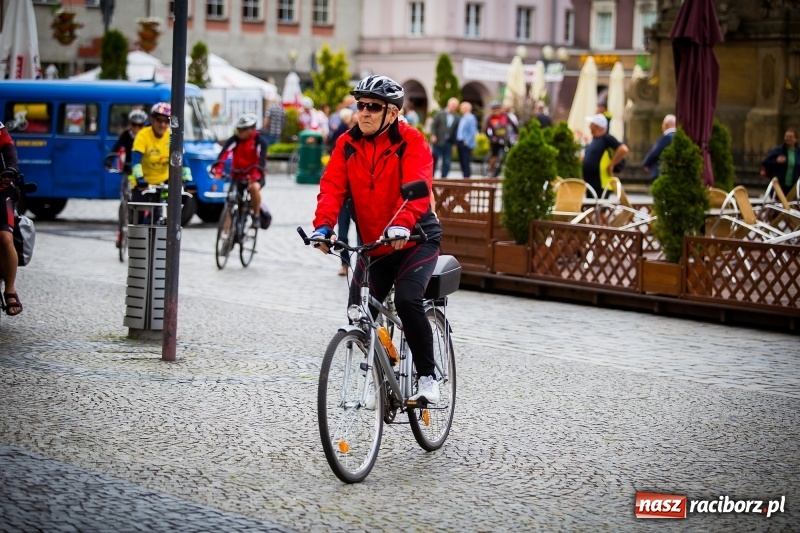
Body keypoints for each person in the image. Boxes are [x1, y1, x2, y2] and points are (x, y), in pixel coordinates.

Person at [309, 74, 444, 405]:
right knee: (358, 309)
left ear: (393, 113)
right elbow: (331, 188)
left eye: (373, 107)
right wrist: (323, 227)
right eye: (360, 105)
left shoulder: (411, 142)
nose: (364, 112)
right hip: (375, 245)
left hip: (416, 238)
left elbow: (418, 187)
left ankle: (428, 376)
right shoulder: (346, 144)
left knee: (409, 300)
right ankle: (376, 372)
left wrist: (401, 225)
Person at [130, 103, 191, 221]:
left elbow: (183, 160)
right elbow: (136, 160)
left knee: (167, 214)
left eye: (166, 121)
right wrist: (139, 179)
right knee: (138, 220)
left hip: (163, 182)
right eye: (159, 120)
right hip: (143, 183)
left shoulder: (172, 135)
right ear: (152, 120)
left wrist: (189, 179)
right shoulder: (143, 135)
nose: (163, 124)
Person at [212, 113, 268, 228]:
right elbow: (223, 154)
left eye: (242, 129)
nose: (239, 132)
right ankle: (226, 236)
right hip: (237, 175)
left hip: (254, 175)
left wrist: (255, 175)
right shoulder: (235, 140)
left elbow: (261, 161)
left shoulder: (259, 141)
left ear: (251, 130)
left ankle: (256, 216)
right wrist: (218, 169)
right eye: (238, 129)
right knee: (230, 200)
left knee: (254, 188)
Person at [110, 108, 147, 247]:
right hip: (128, 169)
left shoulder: (145, 135)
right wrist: (110, 159)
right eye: (134, 124)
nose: (137, 128)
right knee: (123, 198)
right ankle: (120, 231)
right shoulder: (126, 135)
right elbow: (116, 147)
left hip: (141, 170)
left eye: (140, 125)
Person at [0, 120, 22, 316]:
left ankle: (10, 288)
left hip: (0, 189)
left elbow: (8, 149)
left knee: (5, 238)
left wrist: (11, 169)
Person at [581, 113, 628, 196]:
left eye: (591, 124)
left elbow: (623, 149)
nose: (589, 126)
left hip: (601, 183)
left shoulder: (607, 138)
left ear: (596, 126)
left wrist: (612, 164)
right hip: (591, 183)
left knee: (599, 207)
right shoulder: (594, 139)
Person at [761, 129, 800, 195]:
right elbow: (766, 163)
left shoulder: (798, 152)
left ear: (796, 139)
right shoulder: (778, 150)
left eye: (790, 137)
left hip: (794, 187)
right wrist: (776, 161)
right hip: (779, 186)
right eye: (786, 137)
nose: (788, 139)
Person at [429, 97, 460, 178]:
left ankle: (443, 179)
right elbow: (433, 125)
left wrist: (455, 142)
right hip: (438, 141)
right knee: (434, 161)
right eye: (452, 105)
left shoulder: (457, 117)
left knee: (446, 162)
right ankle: (431, 178)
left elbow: (456, 130)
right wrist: (433, 135)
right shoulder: (440, 113)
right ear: (448, 104)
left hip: (448, 142)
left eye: (455, 106)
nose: (453, 107)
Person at [642, 114, 676, 180]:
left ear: (666, 125)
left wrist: (646, 163)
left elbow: (655, 152)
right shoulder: (678, 137)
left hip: (660, 172)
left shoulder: (666, 137)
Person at [485, 101, 513, 177]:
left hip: (505, 138)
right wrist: (491, 137)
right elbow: (487, 130)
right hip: (495, 140)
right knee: (494, 156)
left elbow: (512, 125)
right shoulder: (490, 118)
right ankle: (490, 171)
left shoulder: (505, 116)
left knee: (508, 154)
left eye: (497, 109)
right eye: (494, 109)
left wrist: (515, 134)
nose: (496, 111)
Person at [455, 101, 478, 178]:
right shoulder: (463, 117)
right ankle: (464, 177)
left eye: (461, 107)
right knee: (462, 161)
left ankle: (467, 178)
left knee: (466, 161)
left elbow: (472, 132)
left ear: (466, 108)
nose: (460, 109)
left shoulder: (471, 118)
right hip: (460, 142)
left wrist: (466, 141)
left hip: (466, 144)